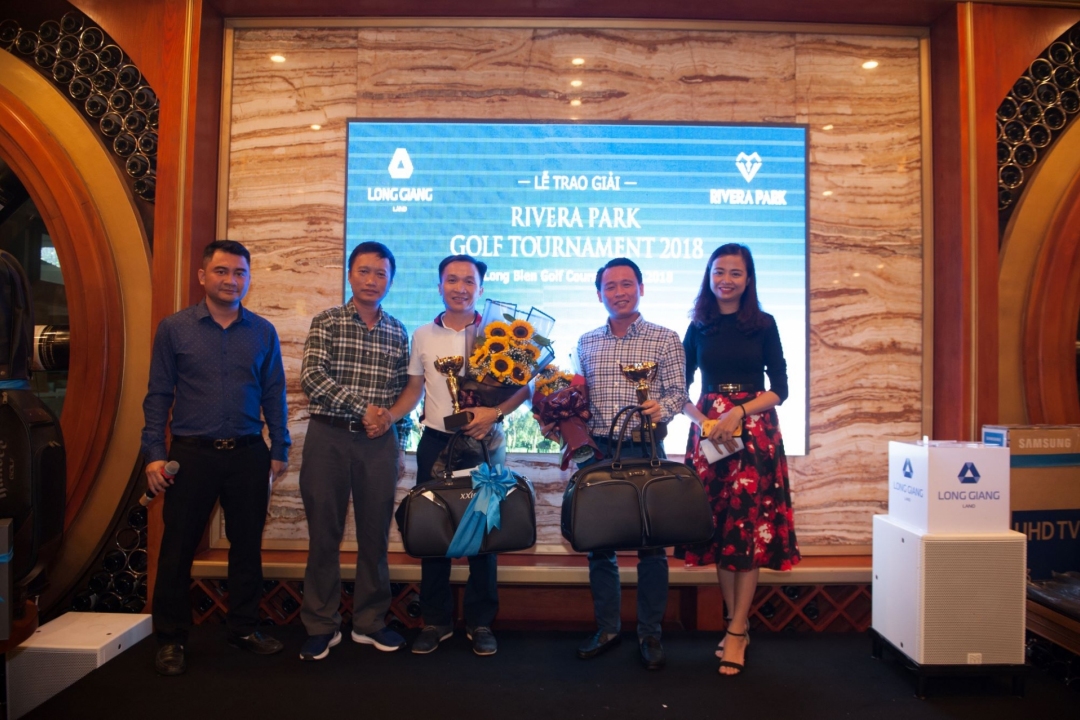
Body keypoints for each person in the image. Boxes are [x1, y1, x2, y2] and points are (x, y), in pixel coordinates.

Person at [141, 239, 291, 676]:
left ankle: (243, 628)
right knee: (177, 550)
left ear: (248, 278)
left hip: (248, 454)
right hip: (192, 456)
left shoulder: (262, 331)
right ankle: (171, 639)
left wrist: (279, 448)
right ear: (203, 275)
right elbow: (158, 395)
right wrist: (154, 453)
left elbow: (274, 393)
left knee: (246, 548)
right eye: (222, 271)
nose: (231, 280)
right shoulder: (175, 329)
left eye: (240, 272)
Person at [386, 254, 529, 656]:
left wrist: (494, 414)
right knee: (433, 531)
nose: (460, 288)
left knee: (485, 531)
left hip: (484, 442)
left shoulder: (500, 335)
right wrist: (390, 417)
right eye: (452, 280)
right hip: (435, 443)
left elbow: (525, 388)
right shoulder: (422, 335)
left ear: (480, 289)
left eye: (469, 281)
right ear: (439, 286)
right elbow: (414, 389)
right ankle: (436, 620)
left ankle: (481, 622)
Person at [561, 257, 689, 671]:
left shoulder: (665, 338)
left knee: (652, 547)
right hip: (598, 453)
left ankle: (650, 633)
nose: (619, 292)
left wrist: (660, 407)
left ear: (641, 288)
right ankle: (607, 628)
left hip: (645, 448)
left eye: (627, 284)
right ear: (599, 294)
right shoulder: (586, 342)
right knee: (599, 546)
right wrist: (560, 419)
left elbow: (679, 394)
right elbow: (577, 401)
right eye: (610, 286)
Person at [679, 243, 801, 677]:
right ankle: (738, 623)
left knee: (747, 531)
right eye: (719, 272)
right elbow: (679, 391)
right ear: (709, 276)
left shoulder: (763, 324)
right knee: (721, 531)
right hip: (711, 437)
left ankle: (734, 630)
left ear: (748, 280)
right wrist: (703, 420)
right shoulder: (699, 325)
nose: (726, 280)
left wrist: (739, 412)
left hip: (755, 434)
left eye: (735, 273)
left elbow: (781, 389)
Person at [296, 242, 410, 661]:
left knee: (374, 536)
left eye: (380, 274)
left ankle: (370, 622)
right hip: (328, 437)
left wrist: (393, 430)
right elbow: (312, 377)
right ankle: (321, 625)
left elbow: (401, 390)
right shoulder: (327, 321)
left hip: (379, 443)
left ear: (390, 281)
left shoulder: (398, 330)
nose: (371, 280)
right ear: (349, 275)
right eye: (364, 271)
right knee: (323, 534)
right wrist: (363, 409)